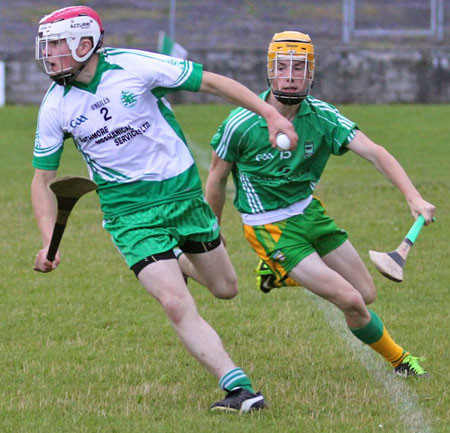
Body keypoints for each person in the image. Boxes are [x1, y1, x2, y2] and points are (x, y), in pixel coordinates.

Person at [32, 6, 298, 413]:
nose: (48, 55)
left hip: (182, 197)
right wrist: (47, 238)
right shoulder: (55, 106)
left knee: (226, 289)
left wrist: (269, 114)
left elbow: (211, 82)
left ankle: (173, 256)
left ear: (84, 44)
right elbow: (42, 181)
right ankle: (239, 388)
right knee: (175, 302)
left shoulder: (133, 65)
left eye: (55, 45)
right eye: (45, 46)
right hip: (128, 214)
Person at [205, 31, 435, 378]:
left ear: (311, 73)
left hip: (309, 211)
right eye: (284, 67)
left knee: (367, 293)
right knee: (351, 301)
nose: (291, 76)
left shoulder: (323, 117)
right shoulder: (241, 123)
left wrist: (413, 196)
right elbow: (216, 178)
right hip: (269, 226)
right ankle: (400, 360)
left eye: (300, 68)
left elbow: (375, 152)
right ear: (271, 71)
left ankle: (276, 273)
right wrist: (214, 227)